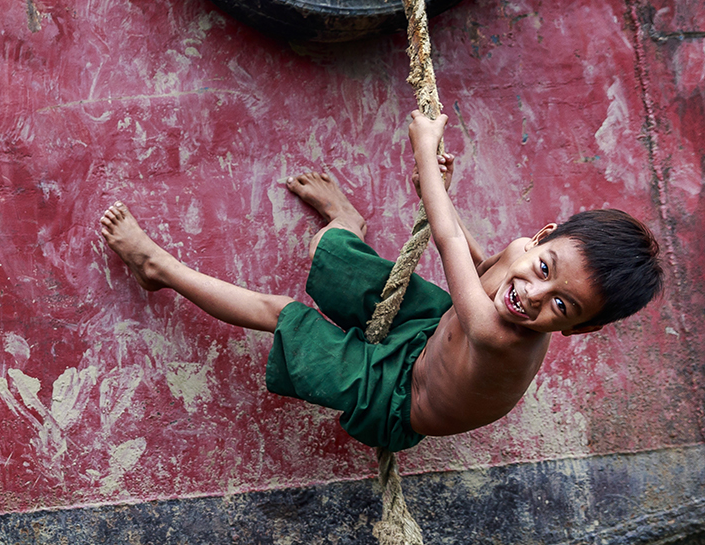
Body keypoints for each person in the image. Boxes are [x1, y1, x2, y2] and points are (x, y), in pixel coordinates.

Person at [98, 109, 663, 452]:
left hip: (397, 396)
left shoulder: (499, 337)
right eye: (544, 270)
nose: (533, 295)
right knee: (327, 250)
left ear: (578, 330)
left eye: (562, 307)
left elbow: (447, 243)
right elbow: (474, 262)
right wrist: (436, 194)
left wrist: (425, 162)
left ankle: (158, 269)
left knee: (281, 313)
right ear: (541, 237)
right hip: (430, 328)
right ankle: (348, 222)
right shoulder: (518, 255)